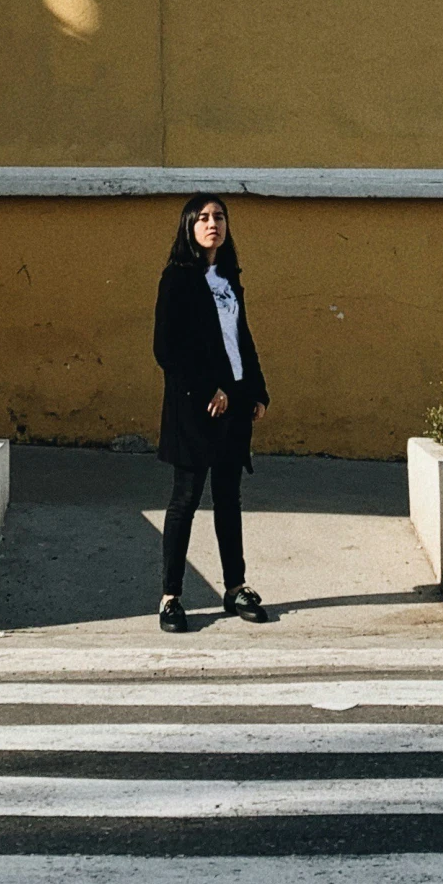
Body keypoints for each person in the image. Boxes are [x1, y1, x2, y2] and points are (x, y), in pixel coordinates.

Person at [152, 192, 271, 633]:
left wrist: (255, 390)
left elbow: (241, 338)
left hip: (233, 406)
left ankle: (235, 587)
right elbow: (167, 349)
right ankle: (171, 597)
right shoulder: (177, 279)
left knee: (228, 499)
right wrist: (210, 389)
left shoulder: (228, 277)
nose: (212, 223)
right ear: (189, 226)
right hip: (194, 408)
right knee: (184, 500)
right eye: (202, 217)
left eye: (219, 216)